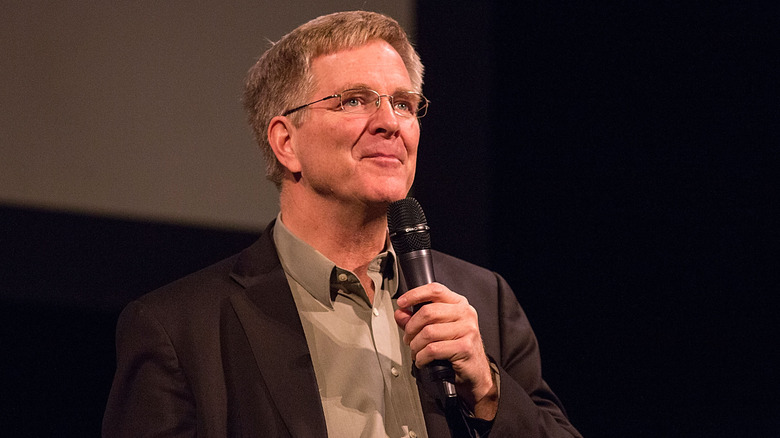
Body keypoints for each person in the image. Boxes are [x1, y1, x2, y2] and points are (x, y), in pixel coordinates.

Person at [103, 10, 581, 438]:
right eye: (354, 100)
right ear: (286, 141)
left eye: (404, 103)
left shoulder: (485, 301)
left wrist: (488, 390)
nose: (389, 122)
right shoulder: (181, 329)